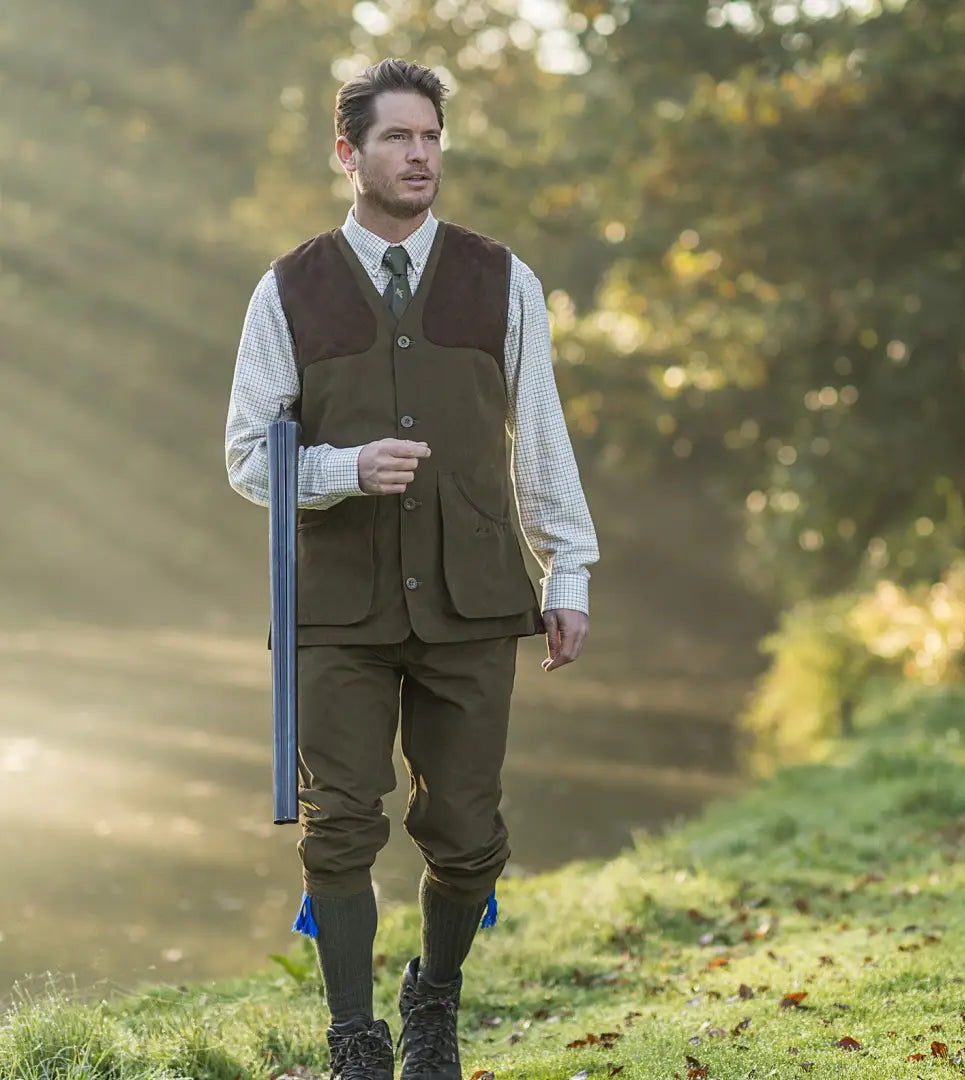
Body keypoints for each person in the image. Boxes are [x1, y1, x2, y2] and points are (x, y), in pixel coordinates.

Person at [225, 57, 599, 1080]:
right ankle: (355, 1037)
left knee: (468, 836)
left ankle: (433, 997)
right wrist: (345, 467)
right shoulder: (288, 290)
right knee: (339, 825)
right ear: (348, 154)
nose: (420, 153)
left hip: (475, 600)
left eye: (430, 136)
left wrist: (568, 570)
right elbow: (248, 454)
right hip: (335, 610)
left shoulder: (502, 280)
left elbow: (544, 436)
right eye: (397, 137)